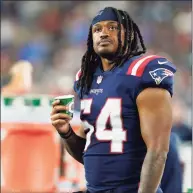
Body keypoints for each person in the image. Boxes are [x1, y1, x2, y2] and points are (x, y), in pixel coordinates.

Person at [51, 7, 176, 193]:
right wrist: (66, 132)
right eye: (97, 29)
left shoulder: (142, 71)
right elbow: (90, 153)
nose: (103, 33)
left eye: (112, 27)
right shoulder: (87, 79)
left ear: (129, 35)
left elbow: (158, 152)